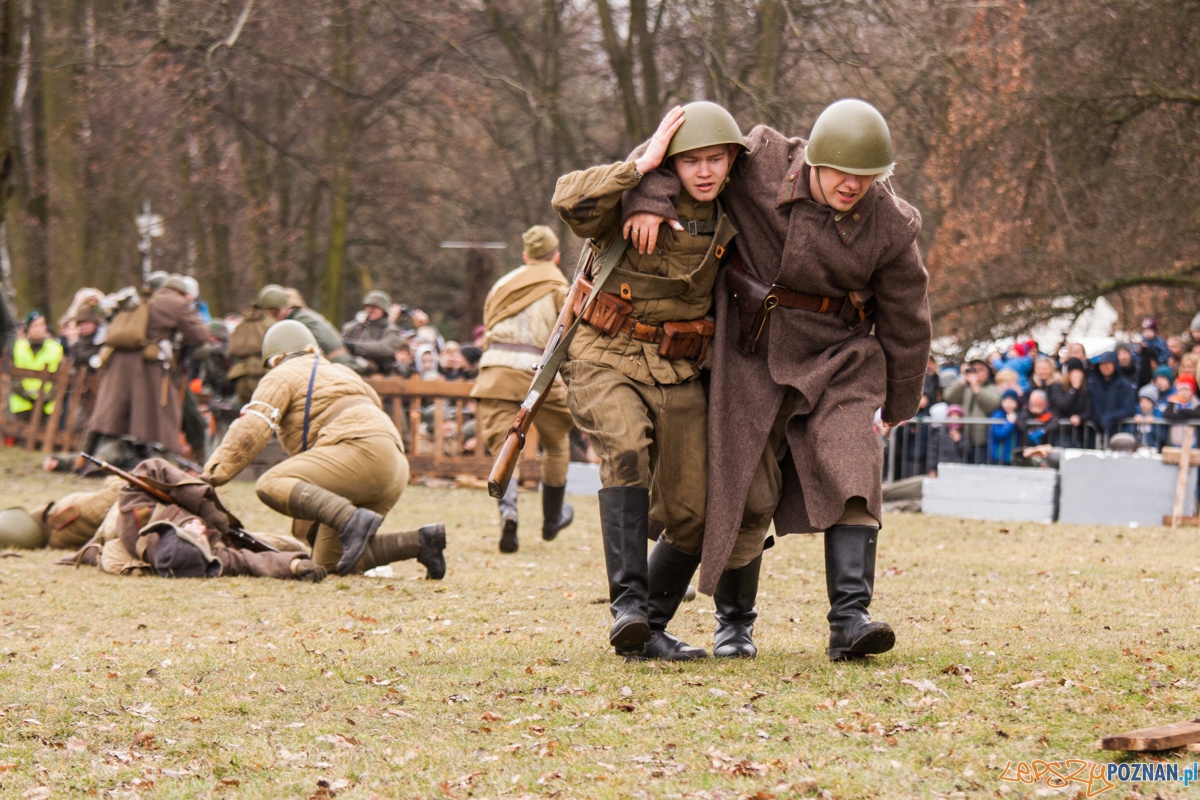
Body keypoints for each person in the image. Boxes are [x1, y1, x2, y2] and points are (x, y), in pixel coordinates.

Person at [624, 98, 932, 662]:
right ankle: (721, 624)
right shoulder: (761, 160)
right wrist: (645, 201)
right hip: (749, 349)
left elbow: (908, 315)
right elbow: (686, 160)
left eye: (867, 178)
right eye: (841, 172)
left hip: (840, 357)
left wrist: (901, 400)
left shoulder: (890, 224)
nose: (851, 186)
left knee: (853, 466)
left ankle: (850, 621)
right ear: (814, 159)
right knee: (744, 491)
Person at [552, 102, 741, 661]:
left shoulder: (736, 212)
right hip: (602, 353)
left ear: (732, 161)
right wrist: (641, 170)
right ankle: (628, 606)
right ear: (673, 163)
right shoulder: (631, 198)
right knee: (625, 447)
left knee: (693, 510)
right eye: (691, 161)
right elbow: (567, 197)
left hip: (677, 364)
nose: (704, 172)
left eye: (716, 159)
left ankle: (645, 629)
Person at [201, 320, 446, 579]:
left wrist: (211, 477)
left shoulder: (282, 374)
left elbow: (252, 427)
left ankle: (351, 519)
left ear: (275, 359)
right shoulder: (342, 371)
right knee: (330, 563)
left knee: (271, 482)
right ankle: (421, 543)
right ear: (311, 348)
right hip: (393, 462)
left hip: (357, 450)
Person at [470, 224, 575, 554]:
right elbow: (571, 334)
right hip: (538, 377)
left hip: (496, 373)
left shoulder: (501, 284)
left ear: (525, 255)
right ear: (556, 255)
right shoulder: (562, 286)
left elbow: (487, 327)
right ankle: (552, 519)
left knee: (504, 448)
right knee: (557, 444)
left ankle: (509, 512)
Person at [42, 459, 326, 580]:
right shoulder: (198, 557)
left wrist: (204, 504)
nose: (199, 530)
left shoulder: (135, 512)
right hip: (106, 534)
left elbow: (151, 467)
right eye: (199, 535)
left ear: (170, 527)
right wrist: (291, 566)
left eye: (193, 531)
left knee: (107, 495)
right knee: (287, 546)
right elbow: (243, 562)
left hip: (115, 511)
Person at [86, 276, 207, 454]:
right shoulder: (176, 303)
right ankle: (163, 458)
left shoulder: (145, 300)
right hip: (149, 367)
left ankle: (89, 455)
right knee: (160, 413)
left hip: (120, 364)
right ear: (179, 292)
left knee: (110, 414)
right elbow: (199, 335)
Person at [255, 284, 354, 368]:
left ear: (288, 307)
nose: (275, 316)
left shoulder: (300, 321)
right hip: (336, 363)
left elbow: (309, 348)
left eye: (277, 311)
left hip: (336, 364)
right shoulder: (304, 316)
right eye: (272, 313)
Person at [8, 312, 65, 421]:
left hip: (47, 407)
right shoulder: (18, 347)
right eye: (34, 325)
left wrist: (45, 398)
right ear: (28, 328)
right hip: (22, 405)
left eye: (41, 325)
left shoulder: (55, 348)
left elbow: (60, 377)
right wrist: (28, 396)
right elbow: (12, 376)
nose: (38, 329)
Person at [943, 360, 1001, 463]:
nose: (976, 373)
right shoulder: (963, 386)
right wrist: (962, 380)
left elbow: (993, 405)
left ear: (987, 373)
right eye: (974, 369)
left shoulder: (991, 387)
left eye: (980, 370)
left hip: (981, 440)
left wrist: (976, 389)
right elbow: (948, 397)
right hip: (961, 438)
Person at [341, 290, 404, 375]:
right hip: (354, 373)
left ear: (384, 310)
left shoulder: (391, 330)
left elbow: (386, 348)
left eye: (376, 307)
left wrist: (355, 347)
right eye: (368, 307)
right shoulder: (354, 328)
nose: (371, 310)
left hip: (382, 377)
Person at [1088, 351, 1138, 438]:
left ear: (1115, 364)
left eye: (1108, 364)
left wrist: (1110, 417)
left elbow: (1128, 409)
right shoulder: (1092, 383)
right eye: (1102, 364)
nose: (1105, 367)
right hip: (1093, 432)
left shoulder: (1124, 384)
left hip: (1117, 430)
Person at [1048, 358, 1092, 447]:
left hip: (1077, 432)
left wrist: (1080, 417)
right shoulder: (1058, 387)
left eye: (1079, 373)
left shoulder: (1084, 390)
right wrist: (1074, 390)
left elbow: (1088, 410)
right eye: (1074, 372)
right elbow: (1063, 405)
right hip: (1061, 430)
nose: (1077, 376)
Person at [928, 405, 969, 474]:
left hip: (958, 469)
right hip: (941, 467)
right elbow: (933, 452)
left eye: (957, 416)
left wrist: (958, 441)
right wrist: (932, 469)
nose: (954, 418)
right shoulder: (940, 433)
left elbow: (966, 451)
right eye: (952, 416)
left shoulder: (963, 434)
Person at [987, 390, 1021, 465]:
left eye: (1011, 402)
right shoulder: (997, 415)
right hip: (999, 455)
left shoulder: (1018, 416)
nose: (1008, 404)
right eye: (1006, 401)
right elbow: (999, 434)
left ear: (1016, 404)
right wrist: (1010, 423)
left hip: (1012, 455)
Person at [1133, 384, 1164, 449]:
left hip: (1153, 447)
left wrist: (1154, 422)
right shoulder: (1136, 411)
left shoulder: (1158, 414)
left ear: (1153, 403)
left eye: (1147, 402)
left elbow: (1162, 436)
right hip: (1138, 446)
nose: (1144, 404)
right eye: (1142, 401)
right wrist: (1135, 420)